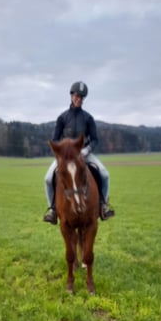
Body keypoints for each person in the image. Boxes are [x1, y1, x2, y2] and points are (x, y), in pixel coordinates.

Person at [43, 81, 116, 224]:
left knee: (105, 175)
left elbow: (95, 139)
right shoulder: (62, 118)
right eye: (77, 96)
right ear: (71, 95)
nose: (79, 99)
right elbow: (55, 140)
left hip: (84, 155)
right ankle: (52, 209)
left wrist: (86, 150)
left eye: (82, 97)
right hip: (66, 157)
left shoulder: (88, 118)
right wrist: (62, 154)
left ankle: (103, 205)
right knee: (47, 179)